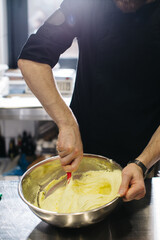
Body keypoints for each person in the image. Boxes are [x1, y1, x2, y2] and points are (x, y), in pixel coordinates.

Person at [18, 0, 160, 202]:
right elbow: (32, 59)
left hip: (145, 159)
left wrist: (142, 163)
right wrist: (66, 122)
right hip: (83, 152)